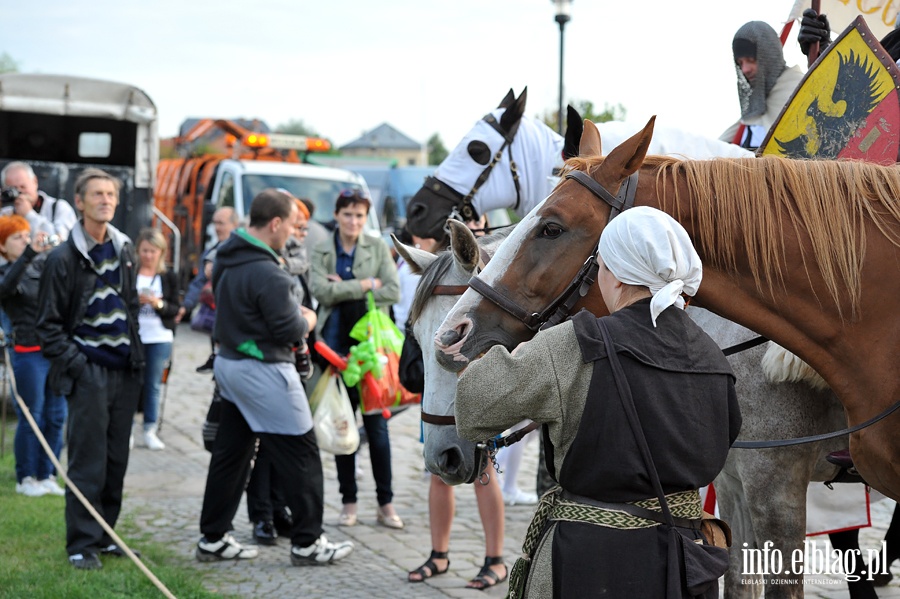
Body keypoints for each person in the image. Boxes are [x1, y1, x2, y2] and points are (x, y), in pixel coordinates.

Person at [455, 207, 741, 598]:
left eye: (601, 266)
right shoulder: (714, 357)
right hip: (685, 566)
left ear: (618, 274)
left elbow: (473, 406)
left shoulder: (575, 344)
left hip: (590, 564)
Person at [197, 188, 353, 565]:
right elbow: (289, 329)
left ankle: (212, 538)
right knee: (302, 453)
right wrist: (309, 318)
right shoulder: (268, 271)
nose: (294, 234)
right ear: (276, 223)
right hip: (266, 370)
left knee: (231, 455)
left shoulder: (226, 257)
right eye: (292, 226)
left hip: (230, 366)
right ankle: (308, 542)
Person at [36, 167, 144, 570]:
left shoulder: (125, 249)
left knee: (117, 460)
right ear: (79, 202)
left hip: (125, 370)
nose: (106, 201)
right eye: (97, 194)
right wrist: (78, 365)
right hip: (89, 371)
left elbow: (130, 307)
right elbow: (47, 326)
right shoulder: (62, 258)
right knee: (87, 460)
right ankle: (81, 544)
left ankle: (105, 535)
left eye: (111, 194)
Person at [309, 188, 402, 529]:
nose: (353, 221)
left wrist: (347, 284)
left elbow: (392, 290)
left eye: (360, 215)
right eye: (347, 214)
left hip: (370, 351)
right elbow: (320, 291)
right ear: (337, 215)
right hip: (334, 351)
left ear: (366, 218)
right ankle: (348, 502)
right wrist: (366, 283)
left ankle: (386, 503)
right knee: (343, 425)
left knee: (377, 430)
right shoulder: (322, 248)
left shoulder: (377, 246)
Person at [244, 196, 314, 546]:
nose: (298, 234)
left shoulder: (297, 256)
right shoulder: (262, 257)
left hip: (296, 357)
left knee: (282, 446)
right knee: (262, 446)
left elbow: (309, 296)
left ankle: (280, 509)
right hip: (263, 358)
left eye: (303, 228)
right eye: (294, 226)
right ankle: (261, 516)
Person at [0, 215, 66, 497]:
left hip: (53, 350)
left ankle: (47, 473)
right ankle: (26, 477)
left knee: (56, 416)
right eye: (17, 238)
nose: (25, 242)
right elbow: (5, 291)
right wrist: (28, 255)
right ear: (2, 246)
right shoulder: (6, 271)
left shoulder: (43, 265)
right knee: (32, 416)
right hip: (27, 352)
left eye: (27, 236)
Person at [719, 21, 805, 149]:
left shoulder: (798, 92)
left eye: (750, 60)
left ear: (769, 55)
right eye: (740, 63)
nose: (745, 69)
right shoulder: (755, 110)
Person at [134, 228, 180, 451]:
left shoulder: (168, 276)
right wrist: (136, 301)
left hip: (159, 335)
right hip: (135, 335)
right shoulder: (132, 273)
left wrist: (157, 304)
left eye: (152, 251)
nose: (148, 256)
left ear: (161, 252)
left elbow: (175, 309)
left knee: (153, 383)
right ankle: (128, 428)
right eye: (144, 251)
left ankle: (150, 428)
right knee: (133, 382)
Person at [179, 206, 238, 371]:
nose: (217, 228)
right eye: (215, 223)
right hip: (218, 315)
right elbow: (198, 282)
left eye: (221, 223)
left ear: (234, 224)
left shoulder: (241, 249)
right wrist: (186, 306)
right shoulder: (210, 252)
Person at [1, 161, 78, 241]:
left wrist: (29, 215)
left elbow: (62, 243)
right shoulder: (5, 214)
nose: (19, 193)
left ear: (35, 181)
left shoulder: (59, 208)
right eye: (13, 189)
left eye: (23, 187)